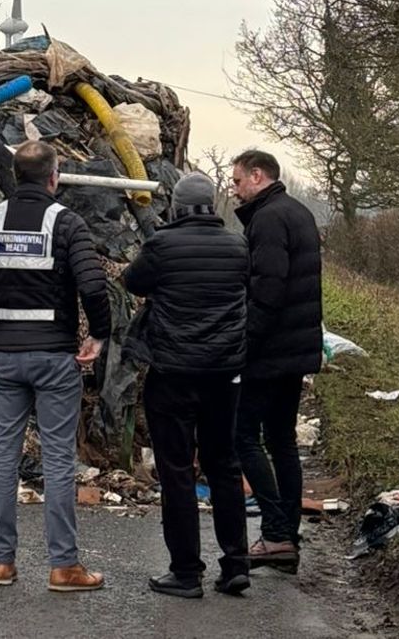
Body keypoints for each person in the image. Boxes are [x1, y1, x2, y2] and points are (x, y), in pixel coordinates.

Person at [0, 140, 113, 592]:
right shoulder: (67, 223)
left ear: (15, 177)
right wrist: (97, 334)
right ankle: (63, 567)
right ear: (54, 177)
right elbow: (94, 287)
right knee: (58, 459)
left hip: (5, 358)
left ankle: (2, 563)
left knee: (4, 457)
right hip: (56, 358)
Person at [122, 172, 252, 598]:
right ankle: (236, 565)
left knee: (177, 471)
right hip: (223, 375)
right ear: (212, 207)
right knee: (224, 466)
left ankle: (185, 572)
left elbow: (133, 282)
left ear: (177, 207)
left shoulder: (162, 246)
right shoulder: (238, 246)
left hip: (173, 374)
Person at [229, 150, 322, 572]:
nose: (234, 189)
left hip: (270, 350)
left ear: (257, 175)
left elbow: (268, 287)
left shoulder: (267, 219)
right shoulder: (297, 212)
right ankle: (288, 530)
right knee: (281, 439)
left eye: (236, 181)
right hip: (296, 347)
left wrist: (244, 343)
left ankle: (275, 533)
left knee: (243, 436)